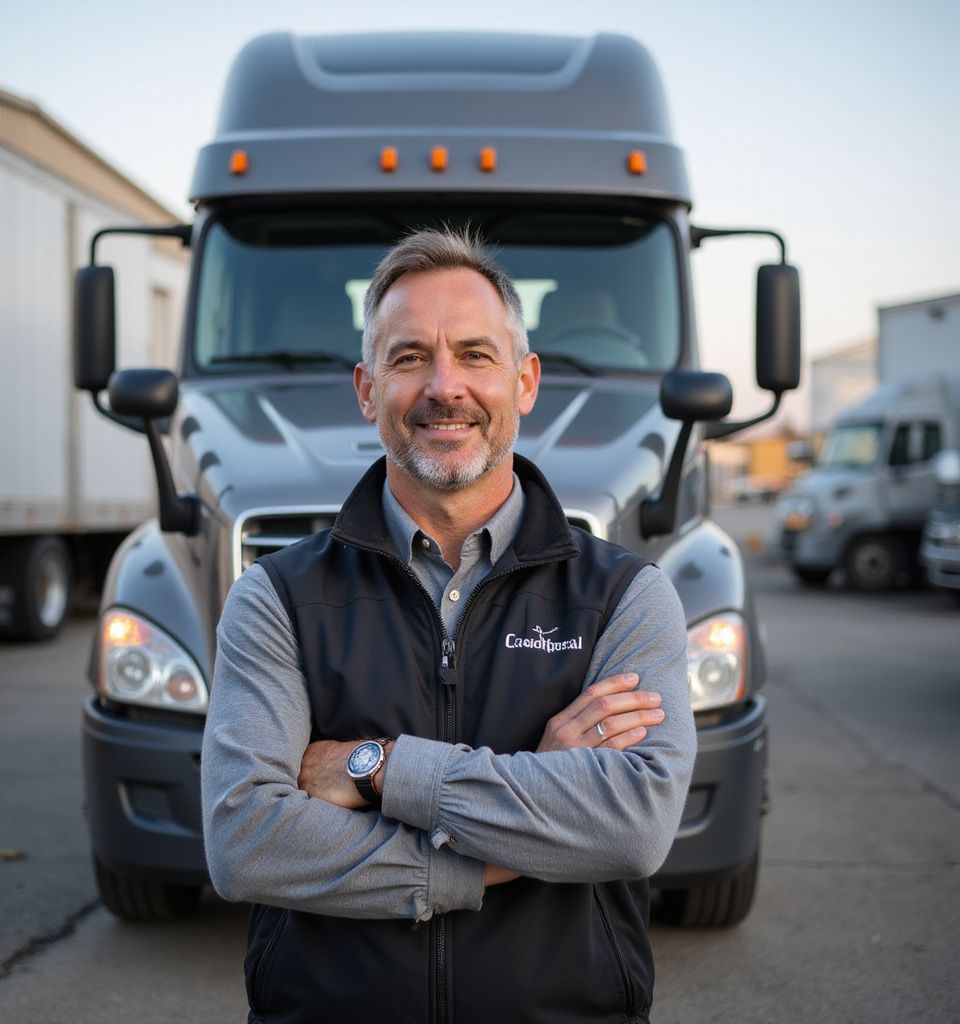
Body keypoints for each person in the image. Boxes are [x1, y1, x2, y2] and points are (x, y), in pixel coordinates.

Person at [201, 228, 696, 1024]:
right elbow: (245, 840)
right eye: (407, 359)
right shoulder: (275, 596)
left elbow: (631, 827)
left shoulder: (626, 595)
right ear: (367, 390)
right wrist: (503, 847)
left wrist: (379, 770)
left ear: (525, 381)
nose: (444, 386)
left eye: (474, 354)